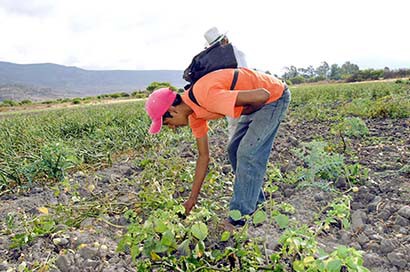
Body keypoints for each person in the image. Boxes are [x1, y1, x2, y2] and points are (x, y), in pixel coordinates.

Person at [145, 67, 291, 227]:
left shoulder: (205, 96)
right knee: (233, 149)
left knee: (248, 153)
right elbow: (203, 157)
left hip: (274, 97)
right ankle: (257, 205)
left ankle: (239, 219)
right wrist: (192, 199)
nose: (172, 128)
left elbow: (263, 95)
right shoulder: (194, 114)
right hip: (257, 103)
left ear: (172, 110)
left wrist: (246, 110)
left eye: (167, 123)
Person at [203, 27, 248, 141]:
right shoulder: (235, 53)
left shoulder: (231, 55)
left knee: (237, 130)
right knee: (239, 130)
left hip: (237, 97)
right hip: (237, 98)